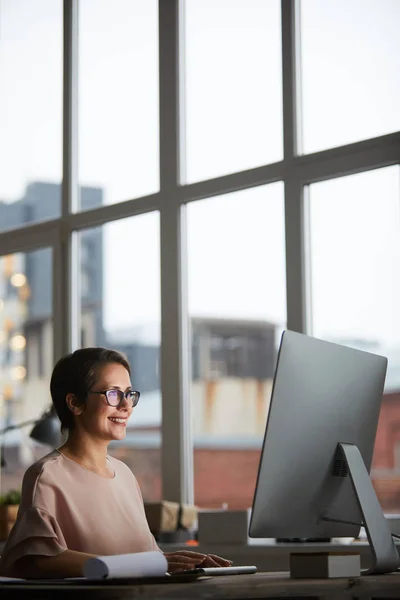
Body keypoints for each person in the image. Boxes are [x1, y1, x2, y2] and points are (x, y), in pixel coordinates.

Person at [0, 347, 231, 579]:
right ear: (75, 403)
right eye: (113, 394)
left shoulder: (125, 474)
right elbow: (36, 560)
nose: (126, 405)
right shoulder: (46, 475)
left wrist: (178, 562)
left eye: (129, 394)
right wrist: (148, 562)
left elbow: (145, 556)